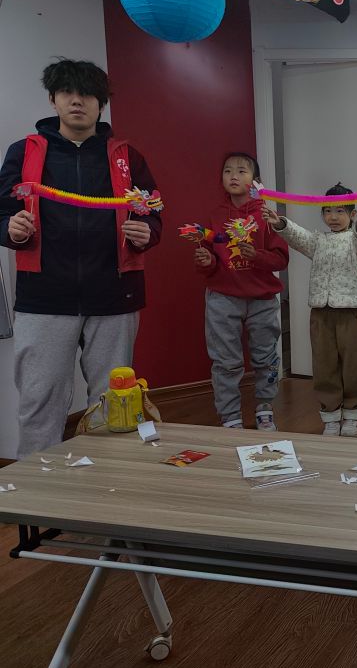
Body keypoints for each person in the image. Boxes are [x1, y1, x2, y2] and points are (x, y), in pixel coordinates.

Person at [0, 59, 161, 457]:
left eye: (87, 94)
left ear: (100, 104)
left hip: (115, 296)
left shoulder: (127, 156)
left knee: (114, 403)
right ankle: (40, 489)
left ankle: (107, 486)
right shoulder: (24, 152)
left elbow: (152, 212)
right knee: (39, 400)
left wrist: (147, 231)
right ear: (53, 99)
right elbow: (2, 212)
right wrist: (10, 228)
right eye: (68, 93)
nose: (77, 101)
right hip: (44, 297)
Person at [263, 184, 357, 436]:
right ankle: (331, 416)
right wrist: (280, 223)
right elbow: (298, 236)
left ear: (352, 214)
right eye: (327, 211)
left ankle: (353, 414)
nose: (333, 217)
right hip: (321, 313)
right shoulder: (318, 241)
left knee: (354, 365)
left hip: (350, 312)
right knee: (324, 365)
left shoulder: (356, 238)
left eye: (339, 211)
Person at [194, 153, 288, 431]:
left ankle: (265, 408)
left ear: (256, 180)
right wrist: (206, 261)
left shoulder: (267, 216)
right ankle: (230, 416)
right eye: (227, 171)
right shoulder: (215, 216)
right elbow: (208, 261)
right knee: (225, 361)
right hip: (223, 298)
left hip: (262, 300)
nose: (233, 176)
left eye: (242, 171)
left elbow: (281, 260)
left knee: (266, 358)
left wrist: (256, 255)